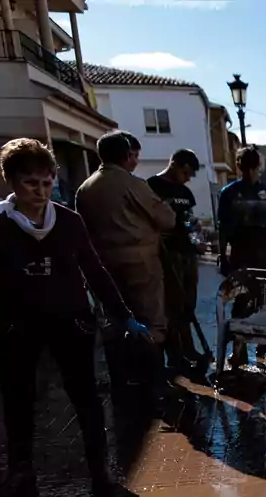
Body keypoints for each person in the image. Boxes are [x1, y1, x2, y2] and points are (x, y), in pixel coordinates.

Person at [0, 138, 149, 497]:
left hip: (70, 321)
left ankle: (100, 475)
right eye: (31, 183)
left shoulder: (69, 222)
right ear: (11, 180)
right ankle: (20, 476)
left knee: (87, 399)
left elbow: (94, 271)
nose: (40, 191)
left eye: (46, 183)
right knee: (17, 400)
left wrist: (123, 314)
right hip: (15, 324)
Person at [75, 130, 175, 386]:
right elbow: (167, 219)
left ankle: (121, 375)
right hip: (140, 265)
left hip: (103, 266)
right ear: (125, 155)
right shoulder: (133, 184)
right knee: (150, 317)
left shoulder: (85, 189)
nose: (135, 161)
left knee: (114, 319)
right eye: (133, 155)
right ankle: (151, 376)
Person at [148, 148, 202, 374]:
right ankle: (175, 354)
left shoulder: (186, 193)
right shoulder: (152, 186)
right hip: (165, 253)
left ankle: (189, 349)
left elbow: (190, 221)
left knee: (188, 304)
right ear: (174, 165)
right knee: (172, 305)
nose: (187, 178)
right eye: (186, 172)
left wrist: (196, 238)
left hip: (187, 252)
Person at [217, 145, 266, 274]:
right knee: (243, 293)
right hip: (240, 256)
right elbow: (223, 227)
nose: (249, 173)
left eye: (253, 168)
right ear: (239, 167)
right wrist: (222, 256)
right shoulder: (228, 193)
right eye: (245, 169)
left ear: (258, 166)